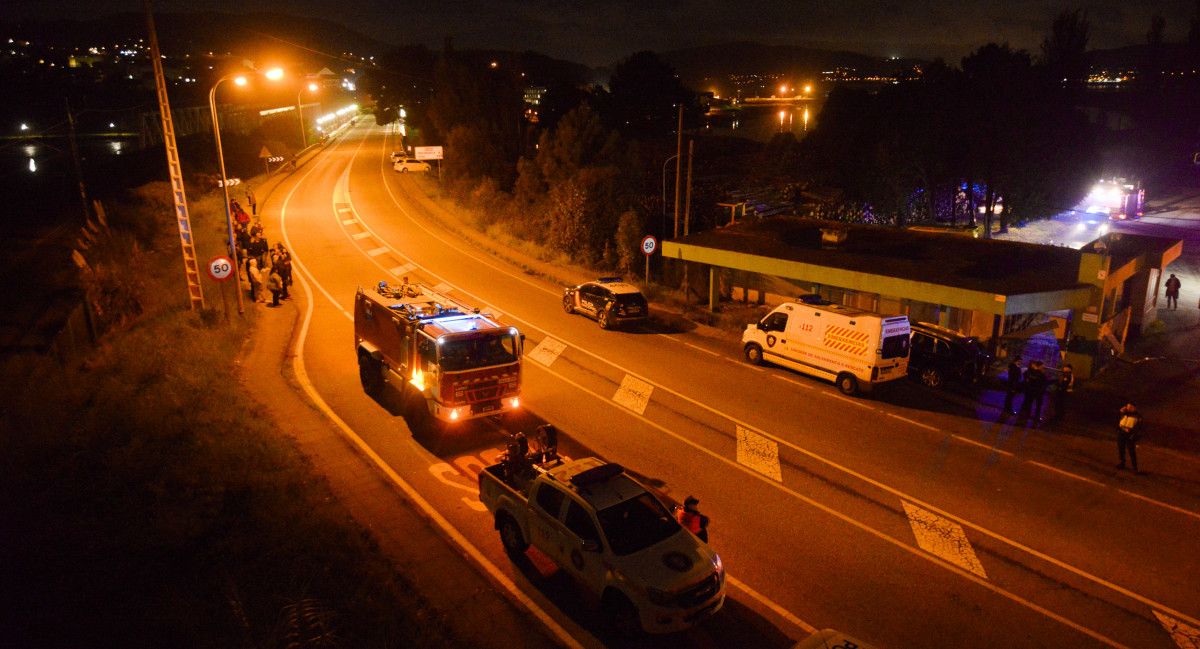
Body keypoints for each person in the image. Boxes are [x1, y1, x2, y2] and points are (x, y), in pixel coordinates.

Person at [1116, 402, 1142, 472]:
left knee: (1131, 451)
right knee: (1121, 449)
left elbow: (1139, 428)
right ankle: (1122, 463)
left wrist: (1133, 435)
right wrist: (1120, 412)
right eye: (1127, 407)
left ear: (1134, 408)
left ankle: (1135, 467)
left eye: (1130, 407)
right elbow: (1117, 419)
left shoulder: (1137, 416)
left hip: (1130, 435)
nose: (1128, 408)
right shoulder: (1124, 413)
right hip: (1121, 433)